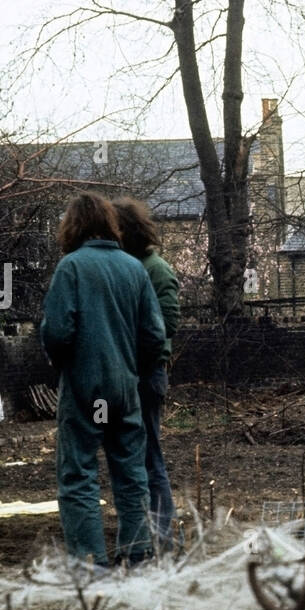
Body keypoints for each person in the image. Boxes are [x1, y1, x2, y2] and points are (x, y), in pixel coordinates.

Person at [41, 192, 166, 567]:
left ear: (72, 227)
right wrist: (131, 370)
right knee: (131, 473)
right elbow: (155, 337)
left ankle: (91, 562)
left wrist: (60, 359)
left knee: (79, 474)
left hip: (86, 394)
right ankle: (139, 554)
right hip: (124, 392)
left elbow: (58, 332)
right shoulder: (134, 269)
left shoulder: (71, 268)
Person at [112, 197, 181, 545]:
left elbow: (167, 323)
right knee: (136, 454)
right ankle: (147, 534)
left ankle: (164, 537)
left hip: (146, 375)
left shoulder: (155, 269)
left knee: (150, 456)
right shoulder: (127, 266)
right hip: (131, 375)